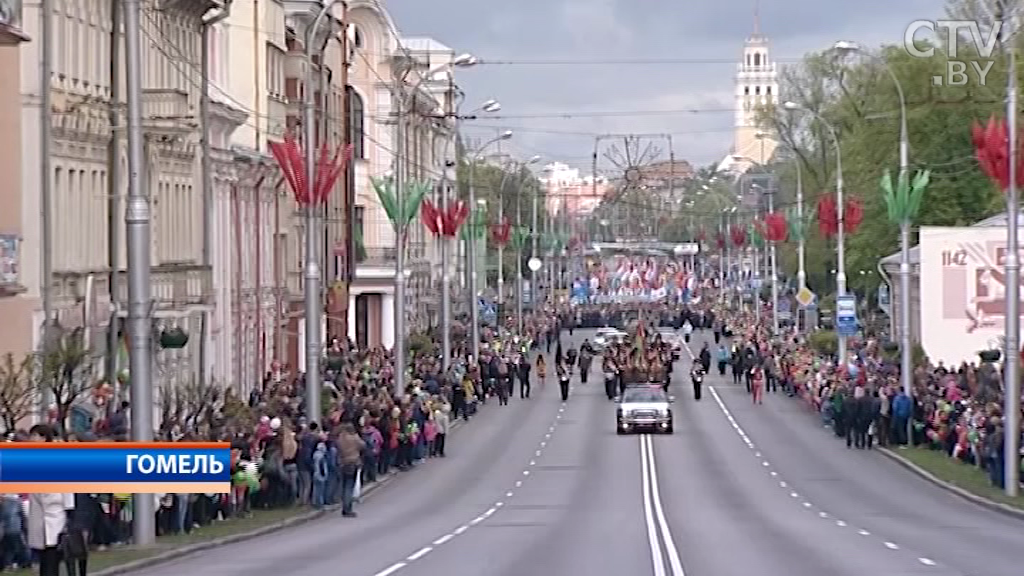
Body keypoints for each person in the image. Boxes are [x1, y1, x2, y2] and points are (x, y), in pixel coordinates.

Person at [26, 425, 76, 576]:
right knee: (43, 553)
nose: (31, 440)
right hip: (38, 511)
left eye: (34, 436)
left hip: (55, 511)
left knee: (53, 551)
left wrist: (69, 509)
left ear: (43, 438)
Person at [336, 423, 365, 518]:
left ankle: (344, 506)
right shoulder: (354, 438)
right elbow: (363, 445)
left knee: (344, 485)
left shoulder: (340, 438)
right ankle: (348, 508)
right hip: (353, 462)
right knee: (349, 486)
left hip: (343, 462)